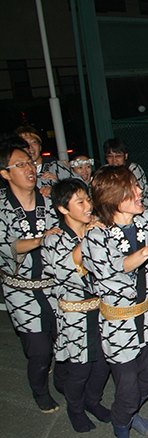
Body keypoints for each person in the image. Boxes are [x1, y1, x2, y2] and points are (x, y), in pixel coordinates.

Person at [82, 165, 148, 438]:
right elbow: (114, 268)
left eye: (137, 185)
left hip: (147, 317)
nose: (139, 192)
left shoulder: (145, 220)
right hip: (118, 325)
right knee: (127, 387)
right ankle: (121, 433)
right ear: (112, 198)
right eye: (131, 189)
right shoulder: (96, 235)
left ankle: (130, 412)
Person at [42, 179, 111, 432]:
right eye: (80, 202)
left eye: (88, 199)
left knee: (103, 365)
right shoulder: (54, 238)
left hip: (102, 310)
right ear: (63, 208)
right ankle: (75, 408)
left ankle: (93, 401)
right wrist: (89, 238)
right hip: (75, 316)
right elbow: (65, 269)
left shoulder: (97, 229)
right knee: (80, 369)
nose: (88, 206)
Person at [0, 135, 62, 412]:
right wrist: (40, 239)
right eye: (20, 164)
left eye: (29, 162)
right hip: (21, 290)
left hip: (53, 285)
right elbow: (6, 246)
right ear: (5, 173)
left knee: (63, 341)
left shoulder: (47, 199)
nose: (29, 168)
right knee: (39, 350)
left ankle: (66, 385)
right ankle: (40, 391)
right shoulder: (1, 207)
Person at [15, 126, 80, 195]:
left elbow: (81, 187)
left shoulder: (57, 167)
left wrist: (58, 185)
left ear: (40, 147)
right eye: (25, 144)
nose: (30, 147)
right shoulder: (16, 172)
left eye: (33, 142)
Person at [103, 137, 148, 213]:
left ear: (125, 156)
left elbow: (140, 195)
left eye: (118, 156)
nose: (114, 160)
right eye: (110, 156)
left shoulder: (134, 169)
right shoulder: (104, 171)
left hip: (143, 209)